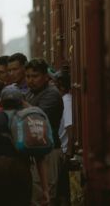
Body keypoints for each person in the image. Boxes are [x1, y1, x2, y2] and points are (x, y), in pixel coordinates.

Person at [0, 87, 50, 206]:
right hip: (21, 172)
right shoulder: (28, 121)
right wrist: (45, 188)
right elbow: (39, 156)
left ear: (0, 102)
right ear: (21, 102)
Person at [25, 58, 64, 206]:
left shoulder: (51, 94)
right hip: (36, 152)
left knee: (44, 197)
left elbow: (37, 117)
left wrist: (20, 104)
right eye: (28, 76)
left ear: (45, 76)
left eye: (35, 76)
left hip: (48, 152)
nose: (30, 80)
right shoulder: (30, 93)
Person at [55, 72, 75, 206]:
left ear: (61, 87)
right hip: (64, 150)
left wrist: (68, 152)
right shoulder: (64, 100)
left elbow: (70, 127)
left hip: (64, 152)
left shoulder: (66, 101)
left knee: (63, 191)